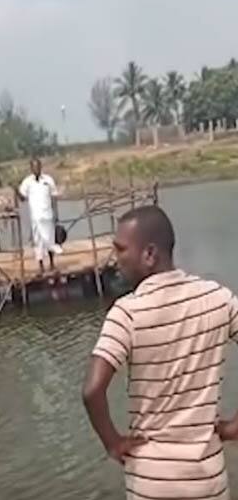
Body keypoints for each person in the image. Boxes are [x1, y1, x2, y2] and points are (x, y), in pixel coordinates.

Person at [83, 205, 236, 500]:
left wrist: (113, 443)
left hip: (151, 482)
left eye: (121, 249)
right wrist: (233, 427)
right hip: (206, 480)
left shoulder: (126, 313)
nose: (116, 260)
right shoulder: (217, 298)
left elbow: (92, 391)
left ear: (149, 254)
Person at [15, 157, 62, 272]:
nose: (36, 169)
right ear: (31, 168)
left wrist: (56, 214)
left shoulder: (48, 180)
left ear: (41, 167)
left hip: (48, 215)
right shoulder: (27, 182)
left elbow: (54, 198)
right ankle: (41, 265)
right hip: (35, 217)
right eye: (34, 167)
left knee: (50, 239)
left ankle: (51, 263)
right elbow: (22, 198)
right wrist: (15, 190)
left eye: (38, 166)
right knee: (38, 241)